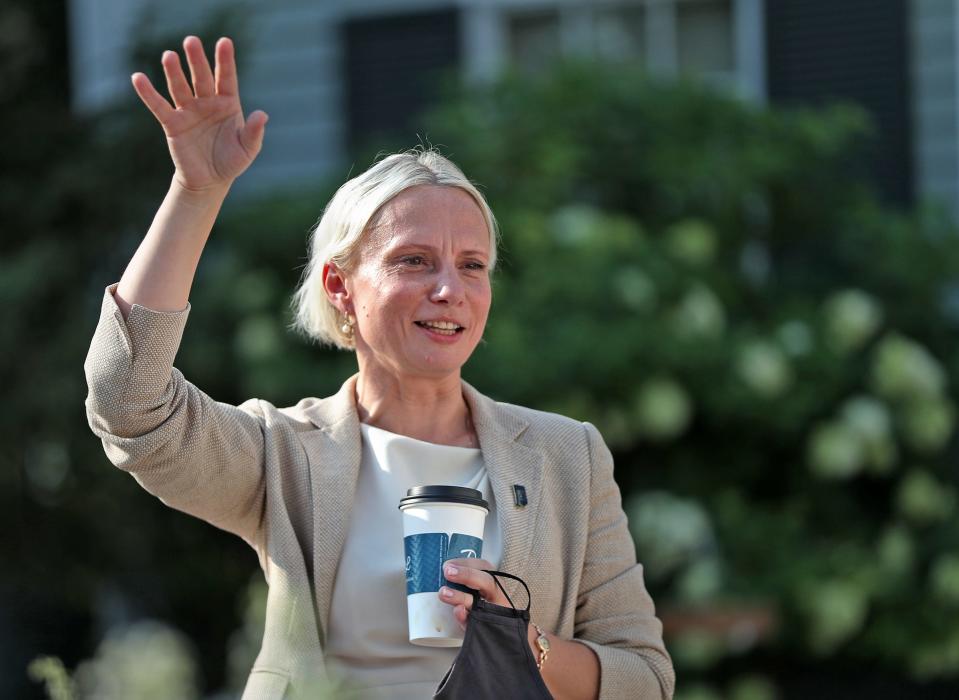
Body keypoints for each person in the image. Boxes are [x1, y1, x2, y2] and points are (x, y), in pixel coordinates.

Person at [83, 36, 674, 700]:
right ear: (340, 286)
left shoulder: (567, 456)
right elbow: (129, 402)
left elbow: (644, 679)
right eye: (413, 260)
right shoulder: (283, 456)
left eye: (471, 265)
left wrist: (522, 643)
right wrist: (195, 192)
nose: (448, 288)